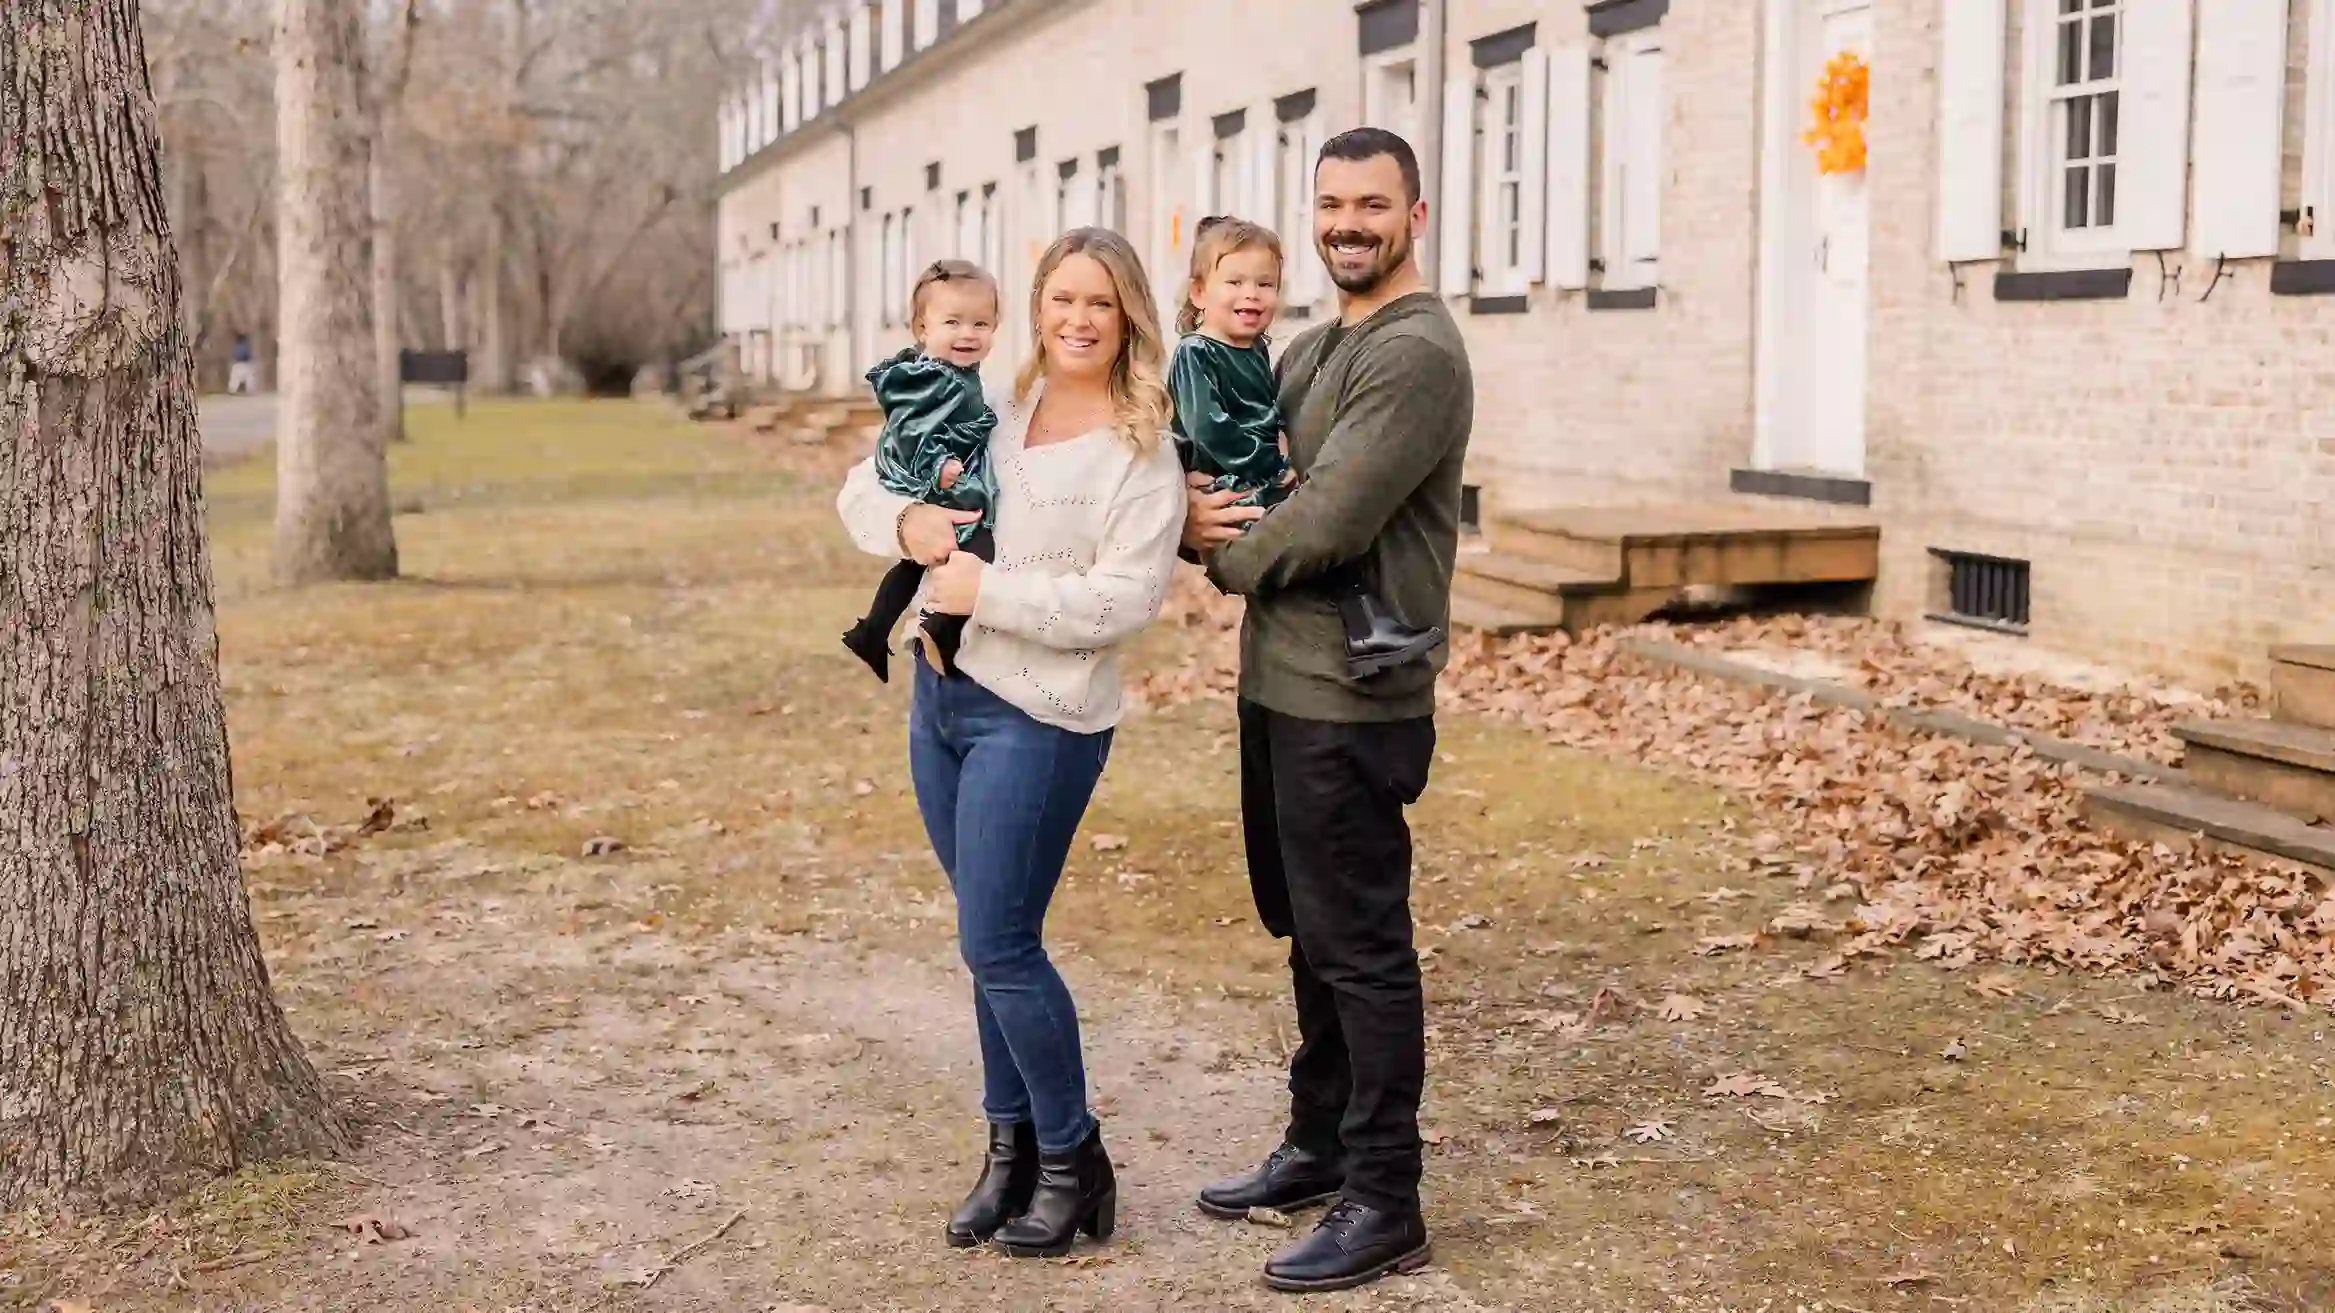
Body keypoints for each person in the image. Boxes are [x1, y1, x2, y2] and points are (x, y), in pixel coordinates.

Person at [835, 228, 1185, 1259]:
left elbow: (1122, 601)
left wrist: (990, 589)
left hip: (1041, 717)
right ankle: (1011, 1152)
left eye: (1100, 304)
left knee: (998, 943)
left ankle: (1075, 1160)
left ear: (1128, 319)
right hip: (939, 706)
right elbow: (868, 485)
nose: (1077, 319)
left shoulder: (1140, 449)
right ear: (1036, 309)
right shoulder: (994, 412)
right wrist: (906, 528)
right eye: (1060, 299)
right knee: (988, 944)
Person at [1181, 128, 1474, 1294]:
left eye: (1371, 203)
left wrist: (1220, 551)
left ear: (1415, 212)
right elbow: (1235, 465)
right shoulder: (1305, 348)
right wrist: (1194, 508)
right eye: (1332, 203)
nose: (1348, 221)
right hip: (1279, 681)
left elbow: (1328, 515)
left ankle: (1385, 1194)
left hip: (1353, 695)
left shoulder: (1414, 354)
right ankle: (1315, 1145)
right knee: (1305, 930)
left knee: (1358, 940)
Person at [1166, 215, 1442, 679]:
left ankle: (1364, 631)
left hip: (1256, 474)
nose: (1251, 294)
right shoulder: (1198, 353)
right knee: (1318, 525)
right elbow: (1208, 427)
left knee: (1332, 532)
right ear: (1199, 293)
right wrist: (1272, 463)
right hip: (1232, 480)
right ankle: (1364, 630)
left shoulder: (1256, 351)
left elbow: (1270, 411)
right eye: (1234, 281)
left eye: (1265, 284)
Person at [840, 259, 1002, 682]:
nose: (968, 334)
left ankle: (872, 631)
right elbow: (911, 429)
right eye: (953, 322)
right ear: (922, 328)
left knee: (915, 562)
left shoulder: (956, 371)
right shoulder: (934, 379)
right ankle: (940, 628)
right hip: (930, 473)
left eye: (981, 324)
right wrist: (937, 468)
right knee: (978, 544)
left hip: (941, 468)